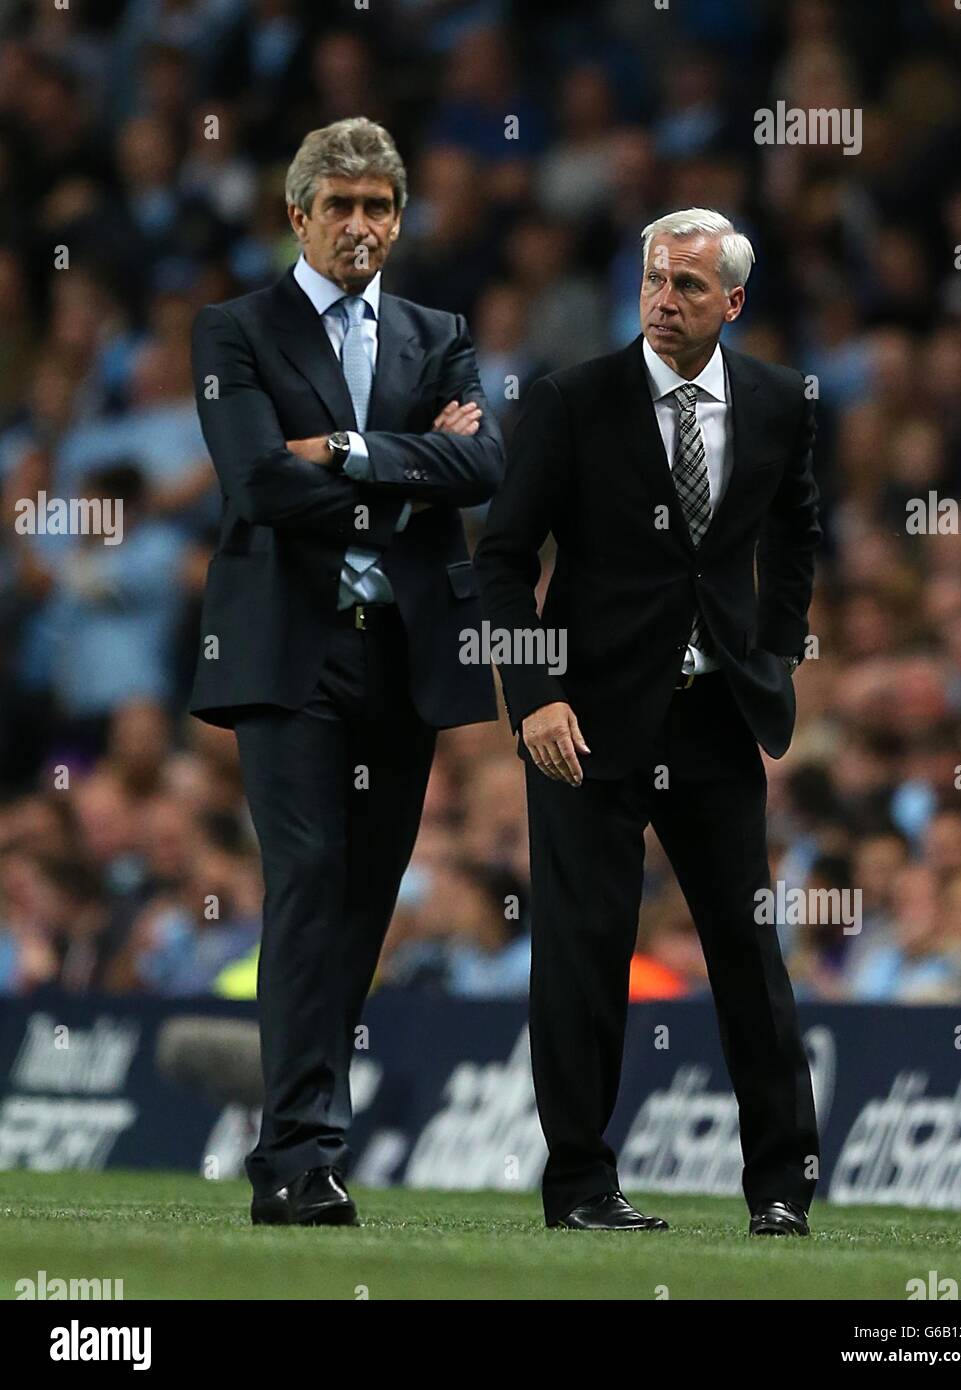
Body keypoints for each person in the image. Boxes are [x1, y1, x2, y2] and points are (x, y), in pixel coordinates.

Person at [475, 208, 821, 1234]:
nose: (665, 301)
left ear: (734, 303)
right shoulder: (573, 402)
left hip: (715, 718)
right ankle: (582, 1185)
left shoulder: (773, 403)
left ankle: (783, 1191)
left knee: (748, 955)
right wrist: (535, 694)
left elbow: (798, 528)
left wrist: (778, 650)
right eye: (654, 282)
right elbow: (500, 560)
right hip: (584, 722)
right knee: (582, 954)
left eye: (688, 288)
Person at [190, 117, 503, 1226]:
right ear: (299, 215)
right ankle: (300, 1154)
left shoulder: (437, 330)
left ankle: (300, 1141)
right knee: (312, 879)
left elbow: (487, 465)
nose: (363, 226)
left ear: (400, 218)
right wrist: (417, 469)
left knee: (364, 903)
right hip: (288, 654)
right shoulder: (234, 330)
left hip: (403, 653)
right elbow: (259, 487)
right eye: (343, 207)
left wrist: (354, 454)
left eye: (380, 208)